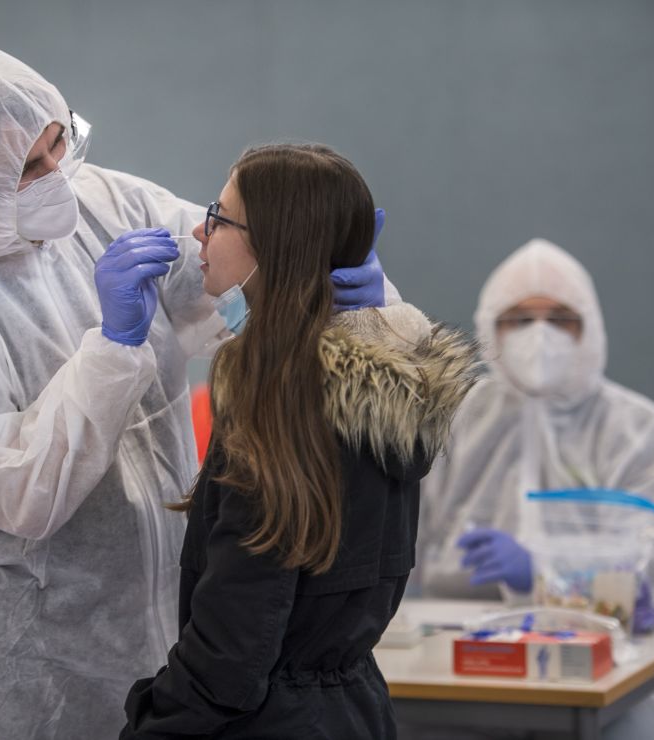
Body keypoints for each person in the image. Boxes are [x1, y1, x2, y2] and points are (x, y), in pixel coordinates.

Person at [0, 22, 389, 739]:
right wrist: (114, 346)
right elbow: (21, 494)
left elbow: (239, 270)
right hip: (20, 672)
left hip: (168, 646)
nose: (56, 175)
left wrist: (340, 292)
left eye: (58, 142)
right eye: (26, 168)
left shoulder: (107, 206)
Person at [119, 143, 476, 738]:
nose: (199, 233)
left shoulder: (283, 406)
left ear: (277, 247)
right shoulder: (373, 401)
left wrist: (150, 726)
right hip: (351, 712)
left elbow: (231, 649)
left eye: (219, 217)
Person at [416, 238, 654, 740]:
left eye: (560, 318)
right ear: (490, 325)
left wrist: (545, 576)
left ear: (589, 326)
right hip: (462, 648)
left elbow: (653, 579)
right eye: (519, 319)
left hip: (612, 656)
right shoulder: (454, 418)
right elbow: (402, 545)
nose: (540, 335)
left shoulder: (639, 432)